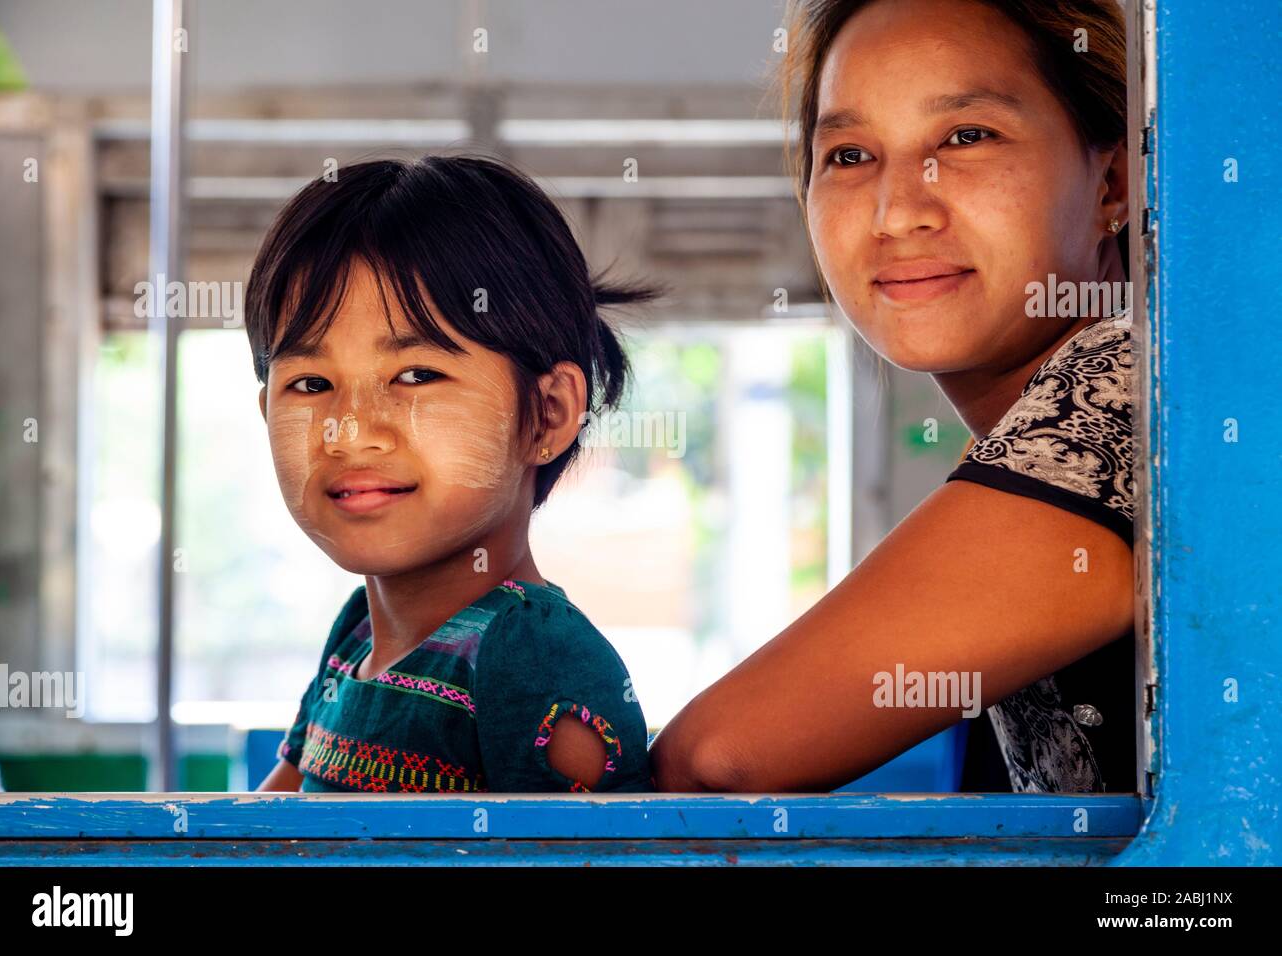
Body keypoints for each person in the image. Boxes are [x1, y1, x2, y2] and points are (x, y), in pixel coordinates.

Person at [650, 0, 1137, 794]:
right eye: (848, 155)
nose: (897, 211)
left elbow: (716, 761)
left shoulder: (1125, 389)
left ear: (1113, 179)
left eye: (965, 137)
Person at [248, 156, 656, 793]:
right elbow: (263, 836)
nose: (350, 430)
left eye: (415, 376)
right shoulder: (355, 633)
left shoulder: (532, 656)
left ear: (547, 414)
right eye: (311, 384)